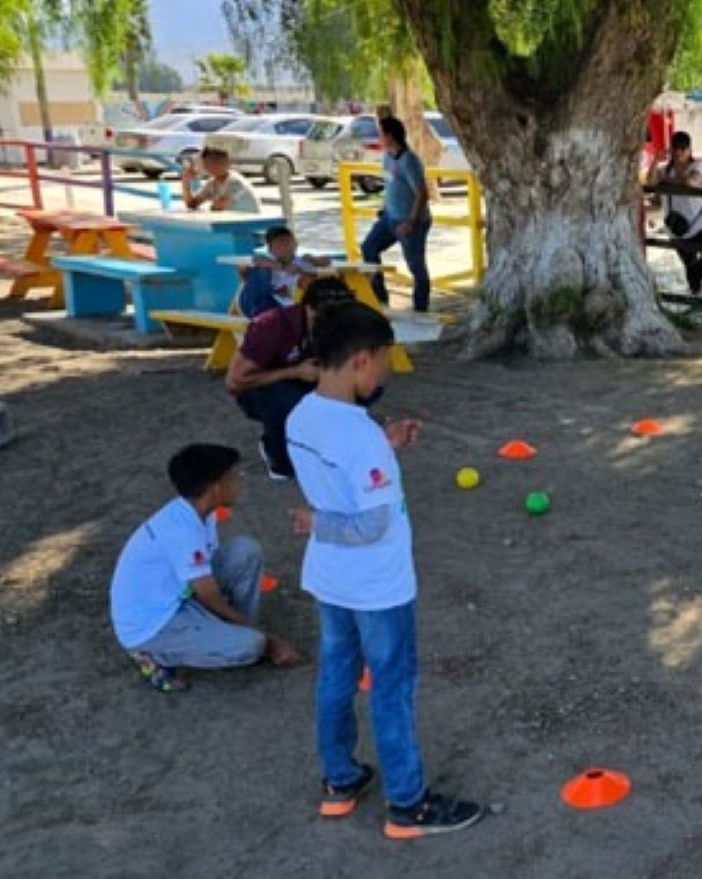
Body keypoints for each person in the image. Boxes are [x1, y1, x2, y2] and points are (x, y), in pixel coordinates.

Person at [285, 301, 482, 837]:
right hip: (376, 585)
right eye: (385, 364)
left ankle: (341, 781)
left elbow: (341, 472)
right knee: (391, 688)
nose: (387, 374)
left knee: (335, 678)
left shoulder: (302, 415)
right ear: (362, 361)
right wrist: (320, 521)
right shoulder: (359, 435)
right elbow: (369, 524)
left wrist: (384, 447)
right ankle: (408, 804)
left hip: (329, 580)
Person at [109, 444, 301, 693]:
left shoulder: (198, 512)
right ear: (216, 486)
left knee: (244, 551)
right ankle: (155, 655)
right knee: (251, 646)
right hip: (155, 624)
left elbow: (205, 578)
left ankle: (234, 631)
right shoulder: (183, 531)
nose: (240, 482)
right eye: (234, 476)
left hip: (178, 596)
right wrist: (270, 642)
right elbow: (208, 596)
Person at [227, 279, 358, 481]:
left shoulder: (342, 323)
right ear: (309, 310)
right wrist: (294, 372)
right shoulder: (271, 326)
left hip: (307, 380)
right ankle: (276, 454)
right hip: (260, 389)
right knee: (284, 396)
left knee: (364, 386)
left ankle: (321, 443)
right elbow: (235, 381)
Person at [359, 116, 433, 312]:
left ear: (390, 136)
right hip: (390, 217)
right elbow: (390, 184)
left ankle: (420, 306)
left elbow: (422, 193)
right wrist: (385, 206)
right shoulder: (387, 157)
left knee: (415, 265)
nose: (378, 138)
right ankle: (379, 296)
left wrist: (411, 221)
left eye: (380, 134)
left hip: (410, 221)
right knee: (369, 248)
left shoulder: (409, 160)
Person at [656, 130, 702, 300]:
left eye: (683, 149)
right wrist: (656, 158)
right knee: (689, 263)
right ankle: (696, 297)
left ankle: (694, 292)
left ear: (690, 149)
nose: (679, 152)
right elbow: (649, 180)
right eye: (676, 148)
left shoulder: (698, 166)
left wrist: (666, 181)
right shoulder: (665, 168)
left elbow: (691, 182)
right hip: (677, 226)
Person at [238, 226, 333, 318]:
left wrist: (313, 259)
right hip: (263, 304)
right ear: (271, 249)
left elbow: (327, 261)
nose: (284, 247)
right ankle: (259, 315)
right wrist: (283, 267)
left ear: (295, 244)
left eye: (286, 242)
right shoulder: (268, 262)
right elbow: (254, 261)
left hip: (289, 308)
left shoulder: (303, 261)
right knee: (260, 269)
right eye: (278, 244)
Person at [181, 146, 261, 213]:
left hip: (249, 227)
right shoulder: (212, 182)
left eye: (219, 161)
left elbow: (217, 208)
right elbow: (191, 204)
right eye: (210, 162)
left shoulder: (235, 182)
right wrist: (186, 182)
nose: (215, 165)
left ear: (227, 163)